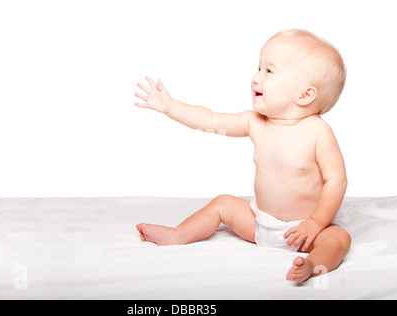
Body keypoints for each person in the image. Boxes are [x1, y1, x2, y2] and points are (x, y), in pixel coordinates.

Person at [134, 29, 351, 283]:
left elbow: (336, 181)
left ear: (304, 95)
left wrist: (315, 223)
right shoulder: (255, 123)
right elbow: (211, 120)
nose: (256, 78)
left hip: (304, 231)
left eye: (269, 71)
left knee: (338, 239)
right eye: (258, 68)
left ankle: (312, 264)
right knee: (222, 204)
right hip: (259, 224)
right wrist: (171, 107)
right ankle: (178, 235)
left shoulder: (318, 132)